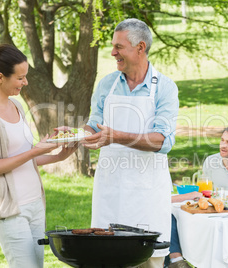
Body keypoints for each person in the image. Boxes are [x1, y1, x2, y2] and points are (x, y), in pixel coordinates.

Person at [82, 18, 179, 268]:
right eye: (113, 46)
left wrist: (115, 136)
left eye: (119, 47)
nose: (113, 52)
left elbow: (162, 141)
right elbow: (94, 126)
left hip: (147, 194)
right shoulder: (107, 84)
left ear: (140, 47)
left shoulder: (164, 88)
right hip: (111, 190)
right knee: (107, 257)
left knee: (149, 261)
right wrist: (75, 134)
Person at [0, 44, 78, 268]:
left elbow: (24, 159)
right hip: (11, 211)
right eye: (20, 78)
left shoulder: (16, 106)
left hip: (35, 204)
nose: (25, 82)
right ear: (0, 77)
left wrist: (57, 155)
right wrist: (36, 150)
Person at [168, 126, 228, 268]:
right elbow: (206, 192)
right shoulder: (210, 162)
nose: (223, 145)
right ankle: (182, 261)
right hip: (214, 215)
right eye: (222, 140)